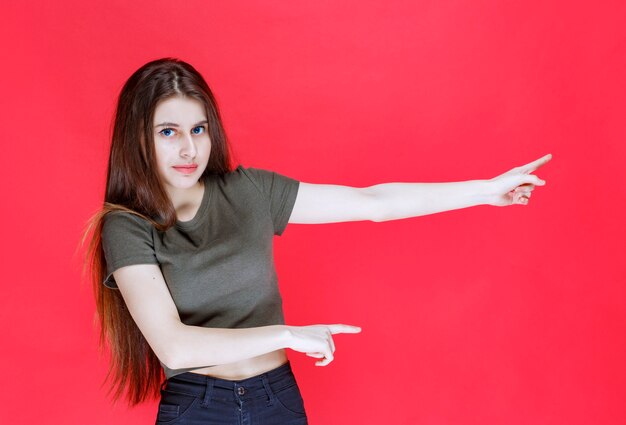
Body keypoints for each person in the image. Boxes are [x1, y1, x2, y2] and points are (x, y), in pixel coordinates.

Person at [81, 57, 552, 424]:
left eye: (198, 130)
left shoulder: (251, 192)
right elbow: (176, 348)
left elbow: (374, 202)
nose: (189, 149)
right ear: (138, 139)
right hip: (197, 408)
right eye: (169, 132)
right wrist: (289, 334)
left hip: (276, 401)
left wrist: (486, 191)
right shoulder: (126, 226)